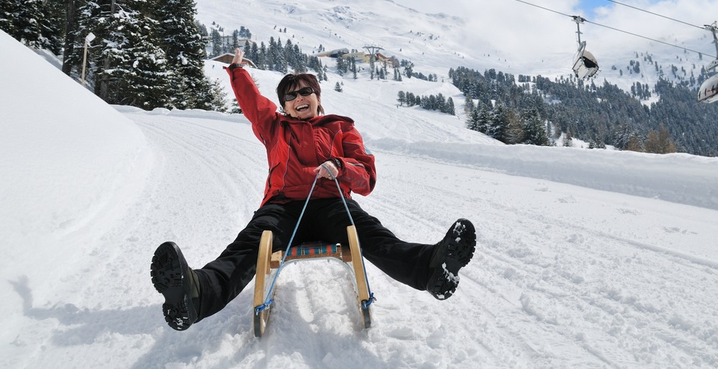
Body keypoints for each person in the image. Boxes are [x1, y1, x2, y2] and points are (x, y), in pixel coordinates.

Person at [151, 48, 476, 331]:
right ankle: (198, 293)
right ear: (284, 106)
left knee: (373, 236)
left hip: (332, 206)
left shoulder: (340, 127)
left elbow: (366, 177)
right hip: (282, 208)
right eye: (290, 96)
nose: (298, 99)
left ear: (318, 97)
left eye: (305, 91)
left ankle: (430, 268)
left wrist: (341, 166)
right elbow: (253, 103)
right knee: (250, 245)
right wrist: (237, 71)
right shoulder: (274, 127)